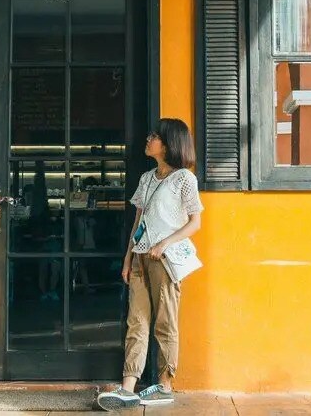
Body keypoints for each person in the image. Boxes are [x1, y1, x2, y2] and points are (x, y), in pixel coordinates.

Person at [96, 119, 204, 410]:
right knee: (137, 321)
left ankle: (165, 385)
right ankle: (128, 387)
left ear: (169, 144)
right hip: (141, 258)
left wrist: (165, 243)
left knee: (165, 323)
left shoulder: (184, 179)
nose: (149, 138)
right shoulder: (147, 178)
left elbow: (195, 222)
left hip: (165, 260)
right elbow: (138, 222)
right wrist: (129, 256)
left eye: (154, 136)